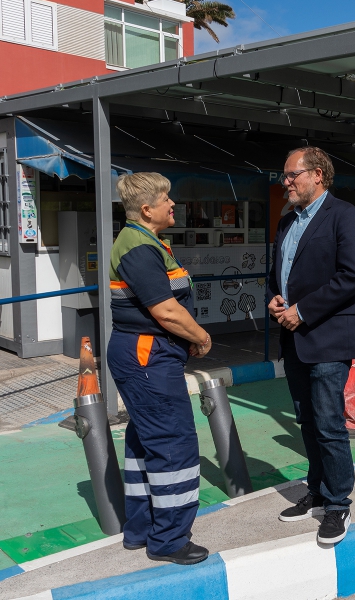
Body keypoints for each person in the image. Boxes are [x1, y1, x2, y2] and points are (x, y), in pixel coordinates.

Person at [107, 172, 211, 565]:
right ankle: (169, 539)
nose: (173, 204)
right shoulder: (138, 246)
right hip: (148, 355)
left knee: (145, 442)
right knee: (172, 443)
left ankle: (140, 529)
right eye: (166, 199)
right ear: (147, 209)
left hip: (143, 355)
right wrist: (201, 337)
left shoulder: (144, 241)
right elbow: (165, 310)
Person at [267, 147, 355, 544]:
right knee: (306, 421)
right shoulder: (287, 220)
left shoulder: (345, 217)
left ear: (318, 175)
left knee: (328, 425)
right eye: (285, 176)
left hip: (327, 338)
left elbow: (352, 276)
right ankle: (317, 489)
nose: (287, 182)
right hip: (293, 338)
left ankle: (338, 503)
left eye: (293, 175)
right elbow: (279, 273)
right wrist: (275, 296)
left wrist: (302, 311)